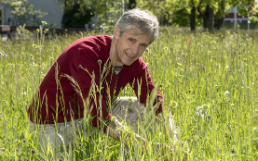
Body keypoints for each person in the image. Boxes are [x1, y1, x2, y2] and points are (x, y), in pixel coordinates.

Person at [28, 8, 178, 160]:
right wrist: (145, 146)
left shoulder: (135, 64)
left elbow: (155, 101)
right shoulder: (85, 52)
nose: (134, 51)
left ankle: (133, 156)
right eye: (132, 40)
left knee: (142, 109)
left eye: (142, 45)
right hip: (55, 123)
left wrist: (174, 142)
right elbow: (95, 114)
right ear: (118, 32)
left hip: (95, 117)